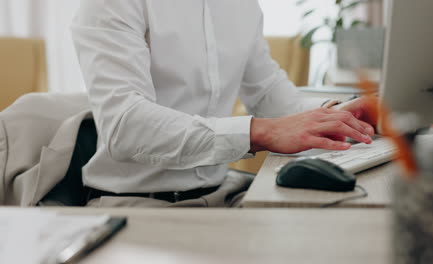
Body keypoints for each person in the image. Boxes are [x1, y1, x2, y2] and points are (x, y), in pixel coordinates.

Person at [71, 0, 376, 208]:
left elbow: (269, 92)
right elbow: (125, 126)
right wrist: (258, 132)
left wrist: (342, 115)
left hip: (223, 195)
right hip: (136, 205)